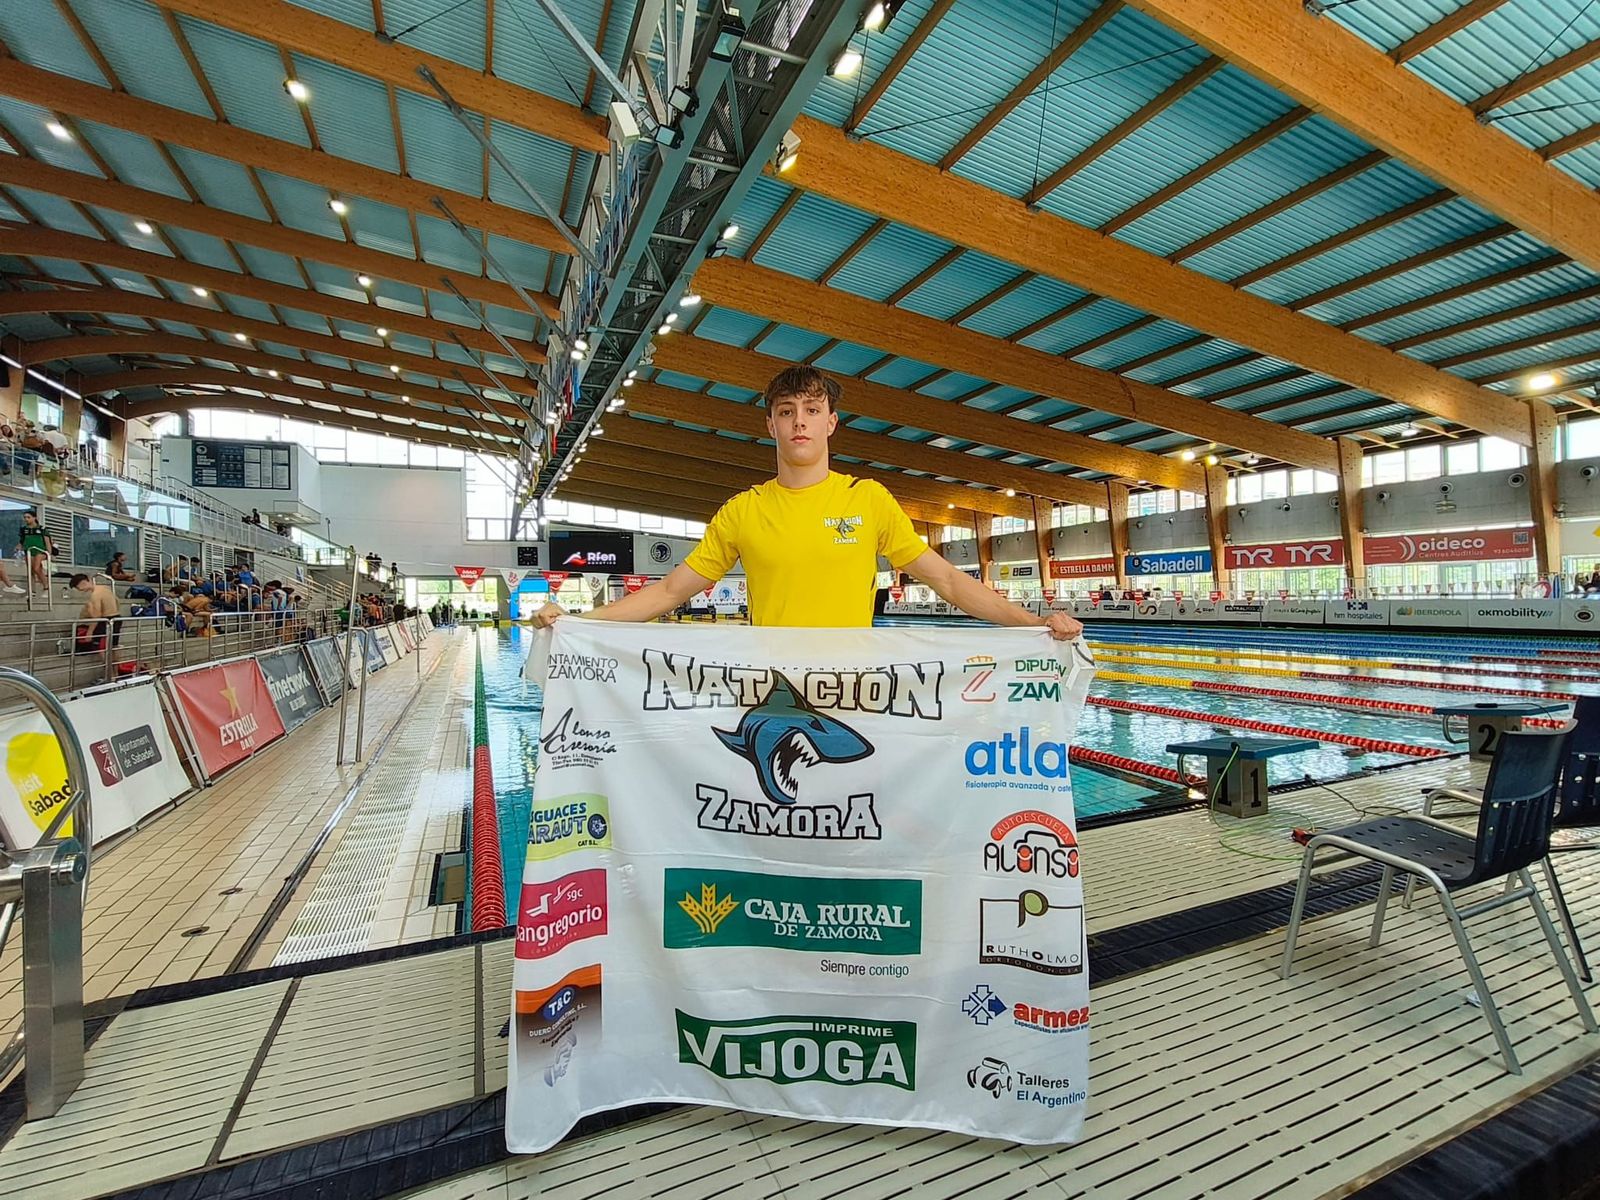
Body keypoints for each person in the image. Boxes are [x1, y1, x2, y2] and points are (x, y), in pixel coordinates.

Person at [532, 366, 1082, 640]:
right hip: (772, 689)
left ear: (831, 423)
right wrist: (579, 620)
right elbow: (673, 590)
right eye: (788, 410)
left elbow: (950, 581)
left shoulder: (867, 500)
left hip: (861, 691)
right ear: (770, 423)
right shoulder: (742, 511)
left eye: (812, 410)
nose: (800, 421)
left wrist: (1032, 623)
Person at [70, 573, 119, 654]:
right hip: (116, 618)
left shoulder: (95, 595)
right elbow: (117, 601)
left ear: (80, 585)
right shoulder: (105, 588)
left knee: (99, 647)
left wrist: (89, 632)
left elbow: (96, 616)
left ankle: (107, 666)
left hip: (105, 621)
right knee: (114, 646)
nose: (79, 591)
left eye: (78, 588)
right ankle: (115, 666)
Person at [16, 510, 53, 589]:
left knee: (36, 568)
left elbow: (48, 542)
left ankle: (45, 584)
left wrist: (49, 554)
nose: (26, 519)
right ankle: (32, 589)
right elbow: (22, 540)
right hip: (29, 551)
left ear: (34, 518)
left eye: (28, 517)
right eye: (25, 517)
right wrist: (19, 547)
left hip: (40, 551)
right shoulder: (23, 529)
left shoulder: (42, 529)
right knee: (31, 571)